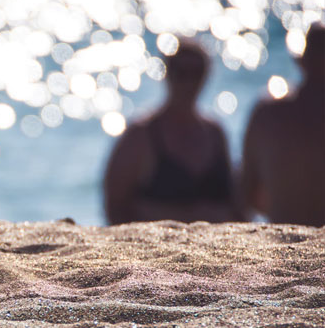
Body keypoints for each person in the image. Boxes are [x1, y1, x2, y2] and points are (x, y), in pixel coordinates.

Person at [103, 40, 241, 225]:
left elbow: (237, 204)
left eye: (196, 72)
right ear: (167, 73)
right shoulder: (141, 135)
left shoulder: (215, 133)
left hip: (216, 245)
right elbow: (115, 207)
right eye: (181, 72)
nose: (189, 81)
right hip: (154, 245)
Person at [241, 25, 325, 227]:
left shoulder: (268, 113)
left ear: (302, 62)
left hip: (282, 234)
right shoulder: (269, 112)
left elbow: (246, 194)